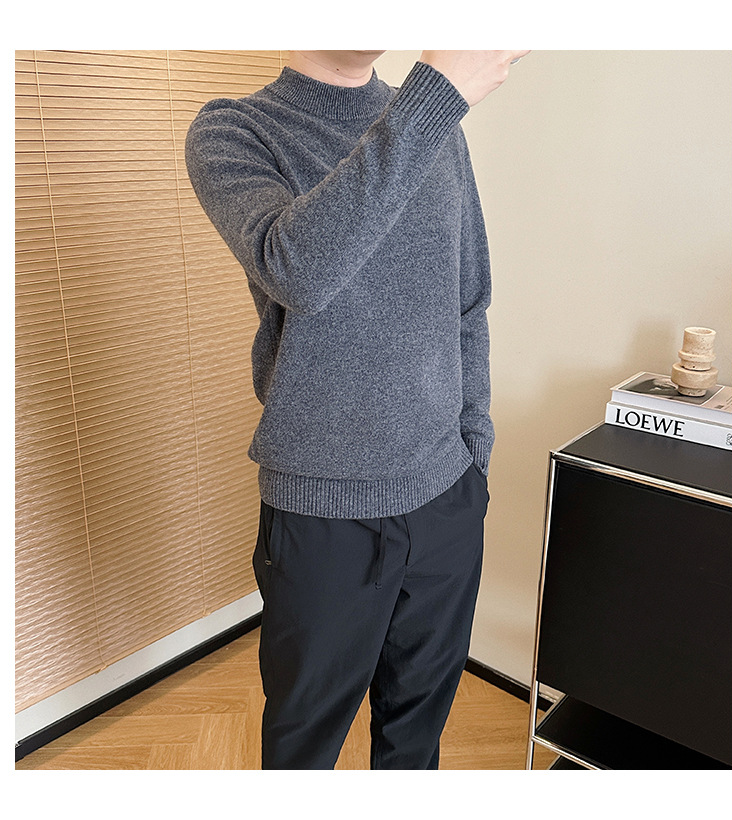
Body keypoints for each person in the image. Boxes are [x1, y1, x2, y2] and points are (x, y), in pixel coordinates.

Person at [185, 49, 528, 770]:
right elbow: (298, 271)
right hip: (322, 513)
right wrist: (434, 101)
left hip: (446, 495)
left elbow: (469, 300)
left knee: (415, 739)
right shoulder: (234, 131)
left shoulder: (433, 120)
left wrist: (474, 446)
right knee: (303, 749)